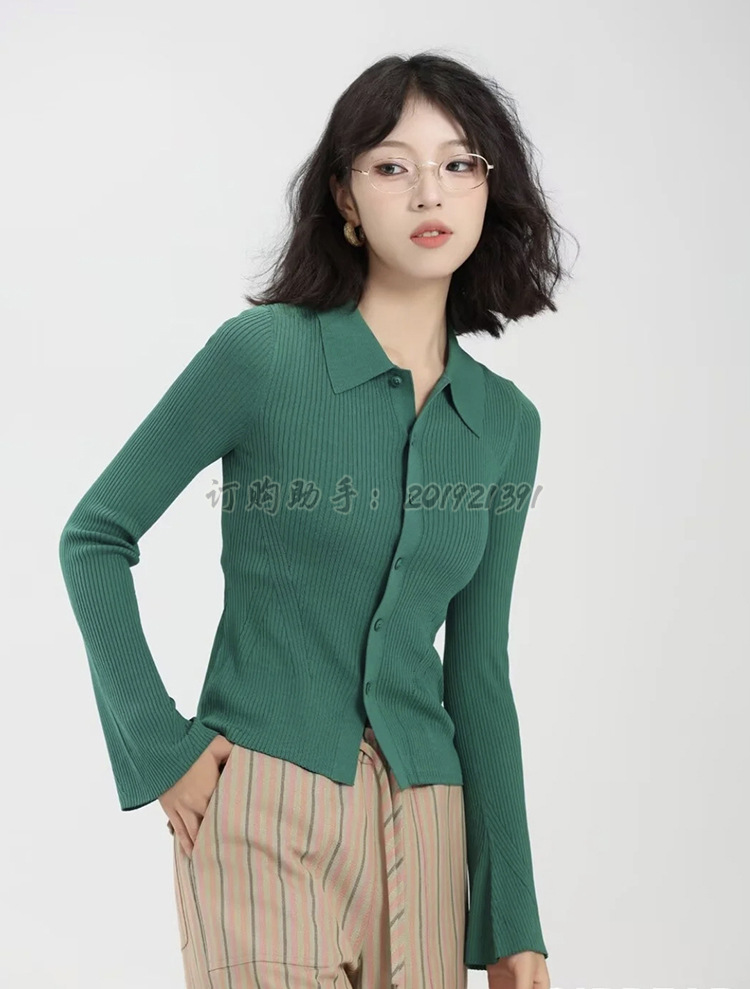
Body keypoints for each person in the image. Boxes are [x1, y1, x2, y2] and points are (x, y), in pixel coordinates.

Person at [59, 50, 570, 989]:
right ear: (346, 197)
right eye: (393, 165)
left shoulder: (506, 425)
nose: (429, 191)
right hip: (261, 805)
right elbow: (94, 536)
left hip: (429, 825)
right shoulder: (263, 357)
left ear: (489, 190)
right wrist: (161, 750)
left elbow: (480, 674)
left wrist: (514, 920)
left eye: (458, 163)